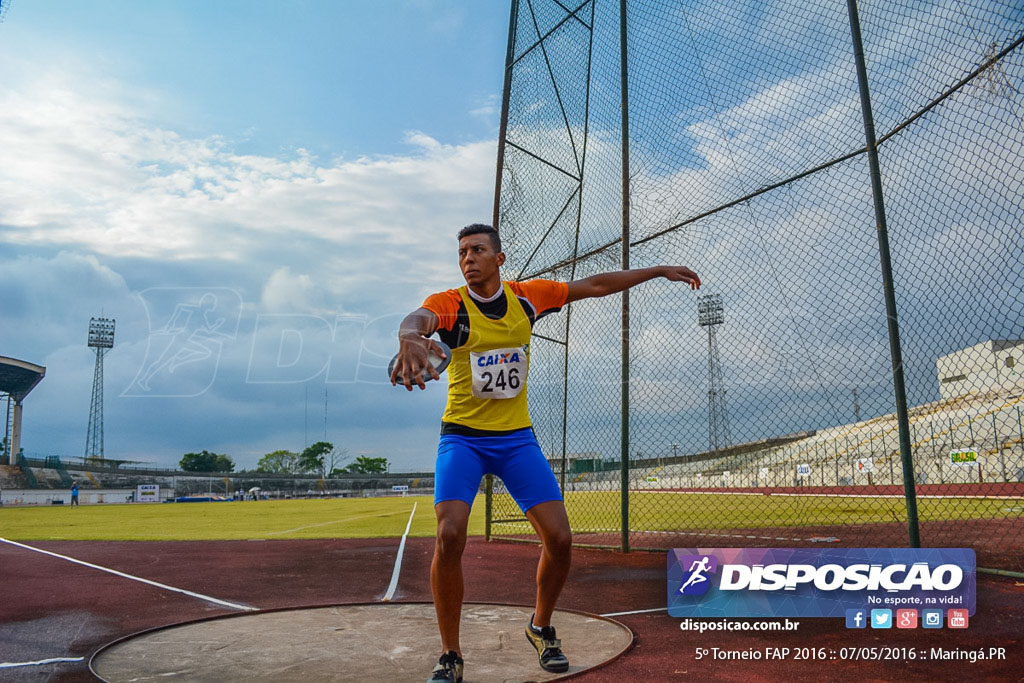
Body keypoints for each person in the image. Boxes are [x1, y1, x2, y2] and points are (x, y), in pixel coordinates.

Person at [391, 223, 700, 682]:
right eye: (461, 253)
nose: (468, 259)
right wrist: (409, 337)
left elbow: (594, 285)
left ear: (499, 258)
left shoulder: (527, 297)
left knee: (559, 539)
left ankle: (540, 626)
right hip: (463, 438)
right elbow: (418, 319)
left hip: (516, 438)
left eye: (477, 250)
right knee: (449, 534)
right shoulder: (450, 305)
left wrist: (656, 271)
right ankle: (450, 655)